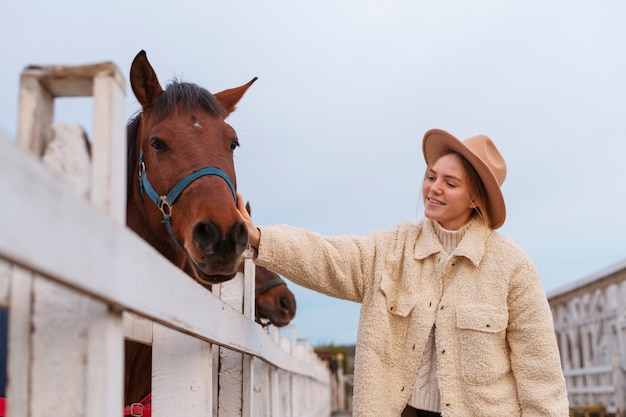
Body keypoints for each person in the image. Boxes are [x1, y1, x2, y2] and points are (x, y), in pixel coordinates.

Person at [236, 128, 569, 417]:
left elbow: (540, 374)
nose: (434, 187)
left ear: (474, 200)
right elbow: (328, 255)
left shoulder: (513, 267)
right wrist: (260, 236)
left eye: (450, 183)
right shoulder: (390, 250)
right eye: (431, 176)